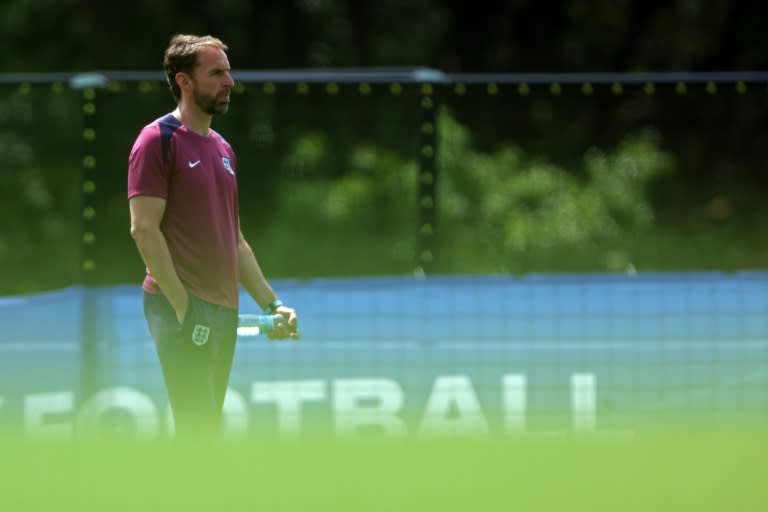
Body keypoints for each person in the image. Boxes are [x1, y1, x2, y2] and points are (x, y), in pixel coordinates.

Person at [128, 34, 298, 438]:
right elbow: (143, 229)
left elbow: (234, 241)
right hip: (180, 307)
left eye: (229, 71)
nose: (229, 82)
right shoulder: (157, 140)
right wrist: (182, 304)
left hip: (223, 311)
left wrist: (273, 304)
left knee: (206, 431)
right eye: (216, 73)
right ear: (185, 82)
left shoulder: (223, 148)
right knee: (198, 432)